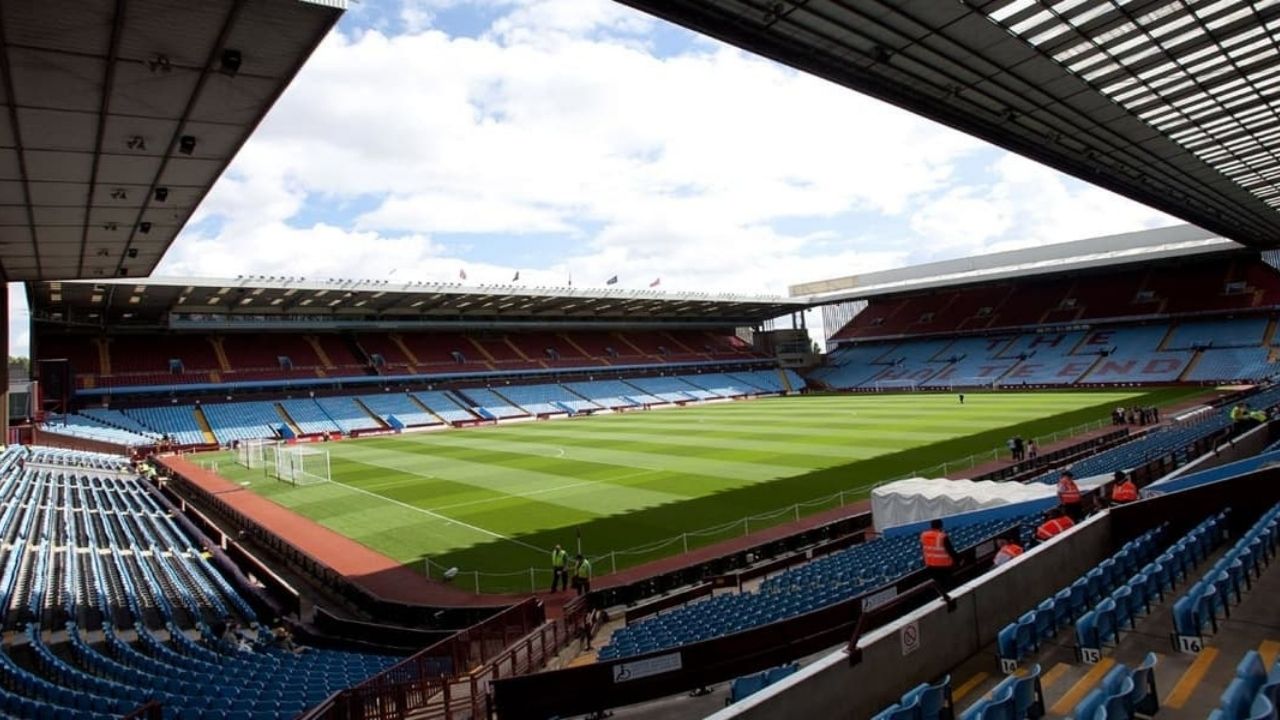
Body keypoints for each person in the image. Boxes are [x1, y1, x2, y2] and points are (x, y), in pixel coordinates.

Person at [919, 519, 958, 585]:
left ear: (931, 526)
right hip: (944, 565)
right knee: (947, 584)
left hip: (931, 565)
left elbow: (923, 548)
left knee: (937, 584)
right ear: (941, 526)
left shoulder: (923, 535)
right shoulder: (942, 536)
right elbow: (950, 550)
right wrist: (958, 560)